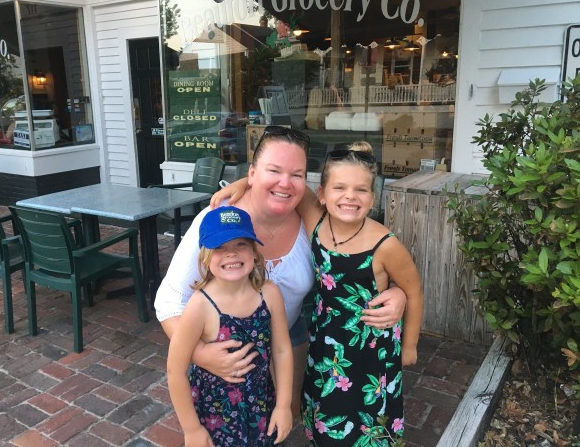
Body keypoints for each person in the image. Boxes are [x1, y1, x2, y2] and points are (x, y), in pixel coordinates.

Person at [155, 125, 407, 419]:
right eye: (273, 170)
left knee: (283, 419)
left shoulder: (314, 222)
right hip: (225, 353)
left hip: (288, 340)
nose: (285, 183)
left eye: (297, 174)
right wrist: (201, 354)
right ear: (252, 173)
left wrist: (397, 292)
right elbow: (169, 302)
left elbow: (359, 264)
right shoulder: (218, 220)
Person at [298, 143, 423, 445]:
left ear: (372, 198)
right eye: (339, 187)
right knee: (327, 407)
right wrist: (236, 186)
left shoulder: (385, 244)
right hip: (326, 340)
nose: (350, 196)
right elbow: (284, 183)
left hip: (370, 347)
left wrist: (410, 346)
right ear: (322, 193)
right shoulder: (316, 222)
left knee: (367, 415)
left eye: (361, 190)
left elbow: (413, 291)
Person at [167, 206, 293, 446]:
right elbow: (175, 370)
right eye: (220, 247)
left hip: (260, 405)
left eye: (240, 245)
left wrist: (284, 405)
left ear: (254, 252)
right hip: (215, 415)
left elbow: (281, 350)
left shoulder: (269, 294)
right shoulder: (200, 306)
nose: (231, 254)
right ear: (205, 257)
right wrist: (192, 429)